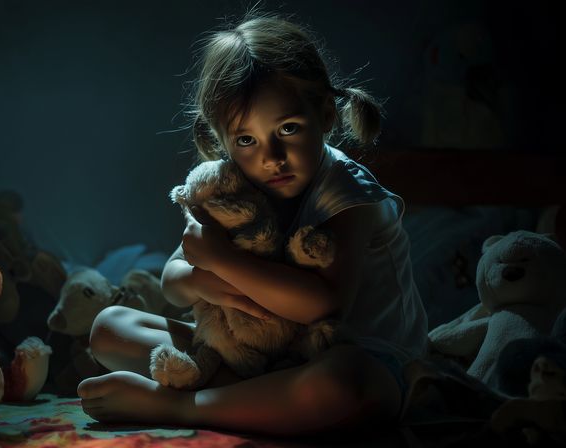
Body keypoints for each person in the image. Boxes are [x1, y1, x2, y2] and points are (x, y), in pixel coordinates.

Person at [77, 11, 428, 436]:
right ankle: (255, 402)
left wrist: (222, 261)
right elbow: (172, 280)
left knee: (345, 381)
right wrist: (197, 280)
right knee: (110, 327)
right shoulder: (231, 186)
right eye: (246, 140)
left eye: (289, 128)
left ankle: (183, 407)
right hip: (257, 358)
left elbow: (322, 304)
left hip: (359, 360)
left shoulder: (348, 193)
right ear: (222, 141)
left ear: (326, 115)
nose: (271, 157)